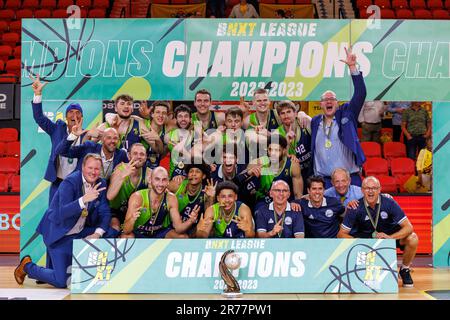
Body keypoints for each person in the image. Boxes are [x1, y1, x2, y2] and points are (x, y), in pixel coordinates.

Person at [14, 154, 119, 288]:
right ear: (82, 167)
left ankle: (98, 272)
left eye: (97, 169)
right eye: (90, 168)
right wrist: (83, 200)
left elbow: (104, 211)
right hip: (59, 233)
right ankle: (27, 267)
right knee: (61, 281)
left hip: (79, 232)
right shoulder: (70, 182)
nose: (93, 172)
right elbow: (61, 213)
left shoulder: (101, 183)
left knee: (112, 231)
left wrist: (97, 234)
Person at [337, 176, 419, 287]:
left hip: (389, 238)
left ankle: (405, 269)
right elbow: (341, 234)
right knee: (365, 283)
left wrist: (391, 238)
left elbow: (409, 227)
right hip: (365, 241)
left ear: (380, 189)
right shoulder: (355, 206)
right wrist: (359, 242)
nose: (370, 191)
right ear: (362, 190)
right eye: (367, 188)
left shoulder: (389, 203)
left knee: (413, 238)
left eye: (374, 188)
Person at [311, 46, 367, 189]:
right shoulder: (315, 121)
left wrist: (353, 67)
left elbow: (360, 94)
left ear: (337, 103)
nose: (329, 101)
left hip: (350, 180)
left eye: (332, 99)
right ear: (321, 104)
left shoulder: (348, 114)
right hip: (324, 182)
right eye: (325, 99)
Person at [29, 74, 86, 204]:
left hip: (77, 184)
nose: (74, 115)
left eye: (78, 113)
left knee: (74, 216)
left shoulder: (86, 135)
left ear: (82, 117)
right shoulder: (57, 129)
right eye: (71, 112)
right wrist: (38, 94)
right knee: (53, 215)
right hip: (57, 182)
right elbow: (39, 118)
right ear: (66, 117)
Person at [122, 167, 197, 239]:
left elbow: (178, 228)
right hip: (139, 233)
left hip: (159, 233)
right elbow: (126, 230)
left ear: (168, 182)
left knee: (183, 237)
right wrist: (132, 219)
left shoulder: (171, 198)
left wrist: (190, 220)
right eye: (157, 179)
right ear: (150, 180)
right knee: (126, 237)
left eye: (164, 180)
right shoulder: (137, 197)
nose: (160, 184)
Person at [55, 126, 128, 181]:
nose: (112, 141)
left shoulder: (121, 154)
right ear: (102, 139)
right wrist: (73, 135)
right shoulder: (89, 147)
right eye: (109, 138)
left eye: (115, 138)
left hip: (101, 195)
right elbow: (61, 151)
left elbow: (132, 169)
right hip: (79, 190)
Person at [107, 143, 149, 231]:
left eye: (142, 154)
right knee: (115, 228)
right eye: (135, 153)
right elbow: (109, 196)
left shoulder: (149, 174)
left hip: (135, 213)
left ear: (145, 157)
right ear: (129, 156)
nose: (139, 156)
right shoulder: (119, 170)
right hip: (116, 212)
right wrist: (122, 176)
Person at [254, 135, 303, 206]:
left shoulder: (293, 165)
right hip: (265, 202)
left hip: (287, 203)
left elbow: (298, 195)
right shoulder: (260, 162)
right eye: (270, 149)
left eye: (277, 150)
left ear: (284, 151)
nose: (273, 153)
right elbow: (243, 175)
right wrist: (251, 171)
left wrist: (296, 206)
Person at [275, 100, 312, 188]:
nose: (286, 115)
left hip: (310, 173)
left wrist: (304, 114)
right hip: (289, 178)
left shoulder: (305, 124)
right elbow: (277, 162)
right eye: (282, 113)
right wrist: (286, 143)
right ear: (279, 117)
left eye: (289, 112)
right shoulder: (276, 134)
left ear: (295, 113)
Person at [173, 163, 215, 236]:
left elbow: (208, 218)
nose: (193, 174)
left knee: (210, 231)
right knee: (183, 237)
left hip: (193, 228)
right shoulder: (177, 184)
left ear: (203, 176)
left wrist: (211, 198)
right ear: (187, 175)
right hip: (174, 226)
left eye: (197, 172)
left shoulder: (206, 191)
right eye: (191, 171)